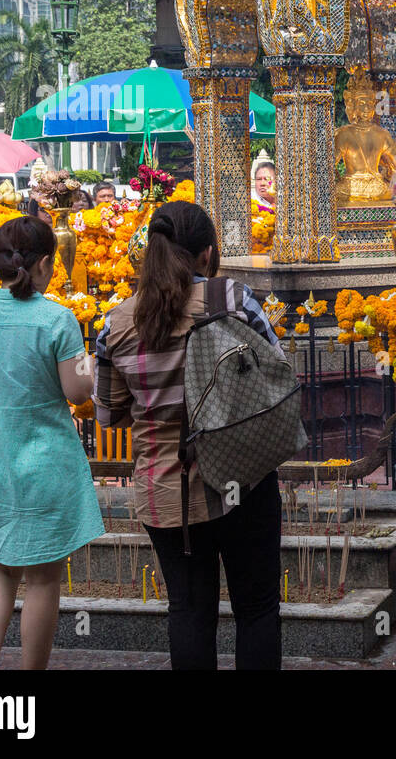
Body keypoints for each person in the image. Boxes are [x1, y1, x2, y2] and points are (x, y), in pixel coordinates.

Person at [94, 201, 283, 669]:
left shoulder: (117, 324)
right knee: (257, 609)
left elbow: (107, 414)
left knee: (190, 612)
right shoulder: (232, 301)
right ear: (206, 254)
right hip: (245, 481)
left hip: (166, 491)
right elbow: (280, 376)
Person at [0, 216, 103, 669]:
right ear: (42, 265)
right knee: (42, 577)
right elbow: (79, 393)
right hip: (46, 460)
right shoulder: (58, 320)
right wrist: (89, 367)